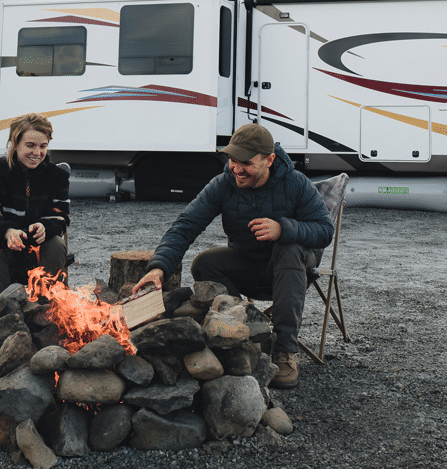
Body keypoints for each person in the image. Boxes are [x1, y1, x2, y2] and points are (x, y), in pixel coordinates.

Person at [133, 123, 333, 389]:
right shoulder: (223, 184)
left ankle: (285, 351)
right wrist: (159, 267)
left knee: (288, 247)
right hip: (248, 265)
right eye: (232, 160)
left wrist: (283, 228)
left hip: (291, 271)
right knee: (205, 263)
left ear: (269, 160)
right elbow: (186, 225)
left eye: (246, 163)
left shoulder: (295, 184)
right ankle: (242, 332)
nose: (237, 169)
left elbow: (324, 230)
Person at [0, 113, 70, 297]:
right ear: (15, 144)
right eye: (30, 145)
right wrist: (8, 232)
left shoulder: (57, 176)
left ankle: (42, 309)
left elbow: (60, 216)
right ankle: (1, 313)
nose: (37, 153)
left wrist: (45, 226)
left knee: (56, 243)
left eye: (43, 146)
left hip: (37, 252)